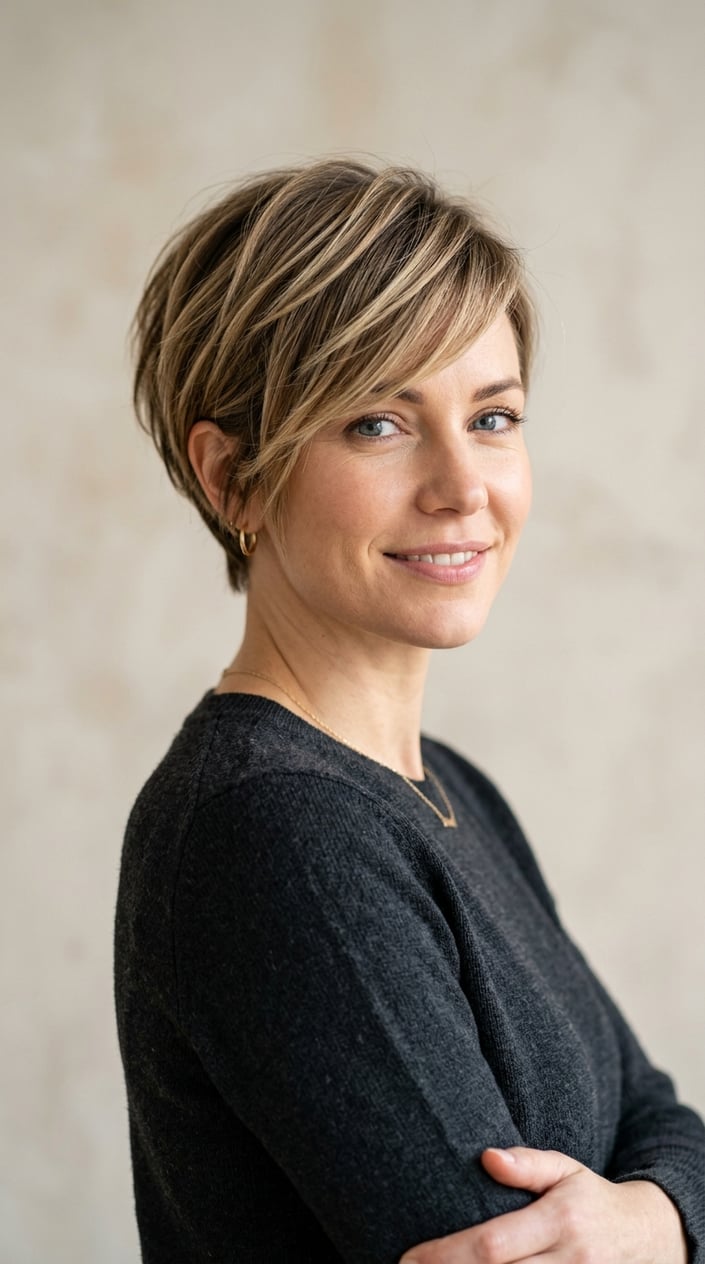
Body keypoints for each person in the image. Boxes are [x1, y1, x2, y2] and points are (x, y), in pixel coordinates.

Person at [114, 158, 704, 1264]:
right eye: (381, 423)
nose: (461, 485)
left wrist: (660, 1217)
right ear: (230, 475)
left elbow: (661, 1115)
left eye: (492, 415)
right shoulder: (275, 832)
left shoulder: (446, 789)